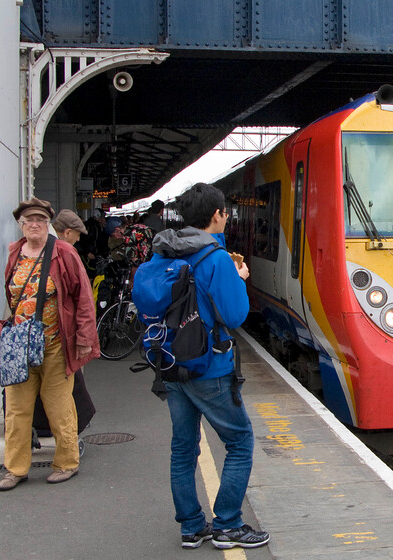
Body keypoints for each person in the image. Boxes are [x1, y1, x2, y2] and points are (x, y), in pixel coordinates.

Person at [139, 183, 268, 550]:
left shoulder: (162, 254)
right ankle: (227, 524)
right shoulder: (215, 259)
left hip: (170, 364)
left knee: (183, 448)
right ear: (217, 216)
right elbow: (235, 315)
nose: (226, 216)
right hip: (210, 368)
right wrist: (240, 280)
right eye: (225, 211)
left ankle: (192, 528)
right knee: (240, 441)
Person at [0, 197, 100, 491]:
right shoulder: (15, 253)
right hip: (20, 347)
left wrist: (85, 339)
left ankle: (66, 462)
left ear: (47, 224)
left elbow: (83, 296)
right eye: (28, 221)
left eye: (39, 220)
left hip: (54, 344)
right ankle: (15, 469)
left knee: (59, 405)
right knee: (16, 408)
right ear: (21, 225)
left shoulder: (63, 253)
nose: (34, 225)